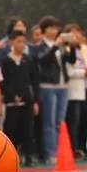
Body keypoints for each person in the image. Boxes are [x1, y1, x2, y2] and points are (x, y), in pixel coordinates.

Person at [32, 16, 76, 164]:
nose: (54, 30)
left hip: (63, 86)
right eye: (51, 27)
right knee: (49, 122)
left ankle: (60, 151)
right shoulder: (40, 46)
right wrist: (56, 46)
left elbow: (71, 60)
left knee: (60, 122)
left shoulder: (61, 45)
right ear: (44, 30)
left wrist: (72, 46)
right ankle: (50, 153)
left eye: (56, 27)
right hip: (48, 87)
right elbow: (42, 60)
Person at [0, 30, 39, 166]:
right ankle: (11, 157)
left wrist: (35, 101)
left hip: (27, 102)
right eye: (19, 41)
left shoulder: (28, 60)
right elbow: (2, 81)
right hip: (11, 103)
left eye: (24, 42)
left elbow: (34, 81)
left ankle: (28, 156)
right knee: (11, 130)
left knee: (28, 130)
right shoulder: (6, 61)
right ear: (12, 42)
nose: (22, 44)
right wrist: (11, 96)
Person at [64, 24, 87, 157]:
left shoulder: (85, 49)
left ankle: (83, 147)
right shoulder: (67, 50)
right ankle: (73, 149)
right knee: (74, 121)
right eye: (72, 34)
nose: (76, 36)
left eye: (78, 33)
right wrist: (83, 72)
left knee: (86, 120)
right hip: (73, 90)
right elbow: (69, 72)